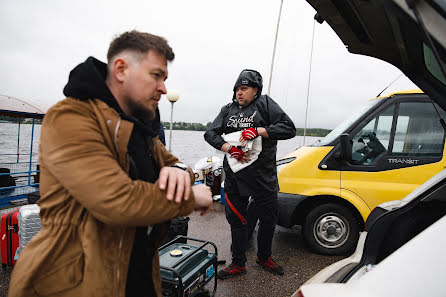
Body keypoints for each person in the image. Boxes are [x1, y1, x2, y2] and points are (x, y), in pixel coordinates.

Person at [9, 30, 213, 297]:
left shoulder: (138, 126)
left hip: (137, 275)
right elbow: (116, 201)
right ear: (120, 69)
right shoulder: (70, 118)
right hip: (75, 281)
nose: (163, 87)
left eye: (165, 79)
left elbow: (174, 162)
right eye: (156, 75)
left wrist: (177, 172)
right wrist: (188, 197)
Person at [204, 69, 296, 279]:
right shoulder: (227, 110)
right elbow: (210, 133)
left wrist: (260, 131)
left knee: (268, 220)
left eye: (244, 89)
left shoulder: (266, 104)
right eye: (237, 89)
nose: (239, 93)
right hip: (235, 178)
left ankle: (264, 257)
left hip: (264, 177)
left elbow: (289, 128)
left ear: (256, 90)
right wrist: (228, 147)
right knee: (237, 221)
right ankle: (238, 263)